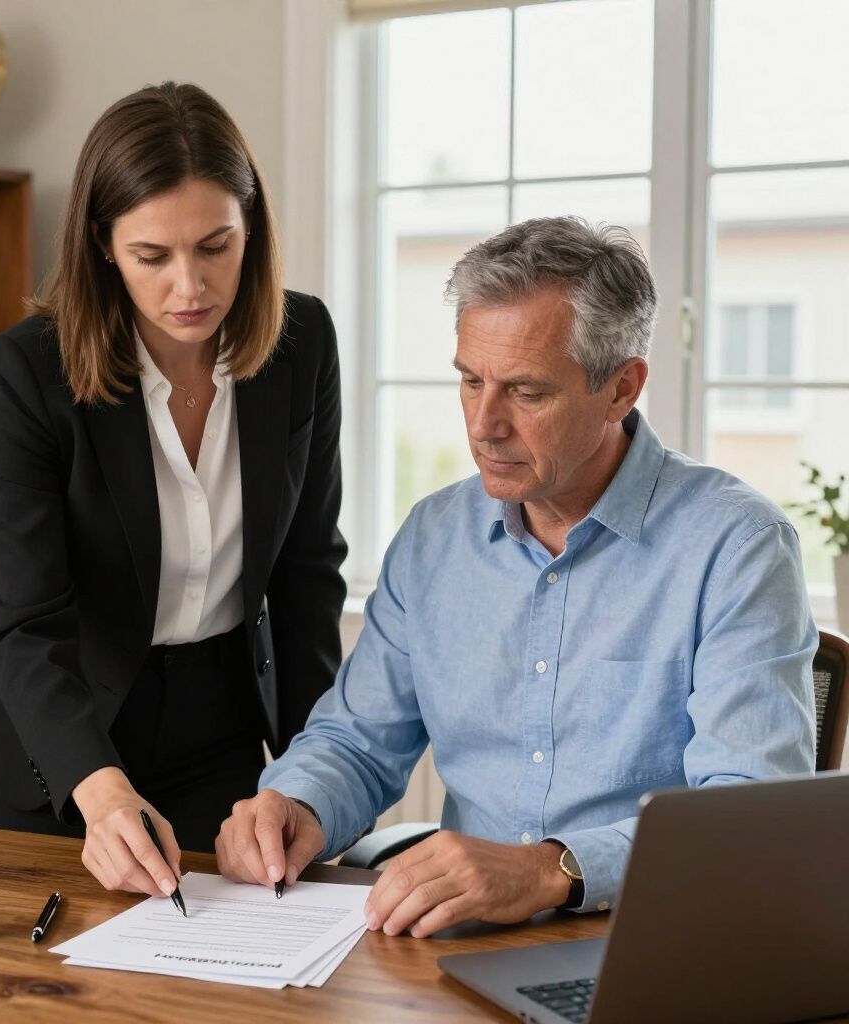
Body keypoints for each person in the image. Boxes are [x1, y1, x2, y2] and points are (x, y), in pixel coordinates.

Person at [215, 216, 817, 937]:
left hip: (653, 941)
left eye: (526, 392)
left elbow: (744, 818)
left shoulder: (735, 548)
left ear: (622, 388)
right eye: (471, 381)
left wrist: (548, 871)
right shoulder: (435, 538)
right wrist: (296, 804)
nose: (483, 424)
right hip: (456, 954)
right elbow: (357, 741)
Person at [0, 82, 347, 901]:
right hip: (58, 733)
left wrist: (317, 778)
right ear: (103, 247)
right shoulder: (30, 373)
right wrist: (99, 786)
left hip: (220, 723)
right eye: (152, 256)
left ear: (252, 229)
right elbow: (25, 622)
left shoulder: (303, 345)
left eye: (216, 245)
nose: (189, 287)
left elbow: (307, 576)